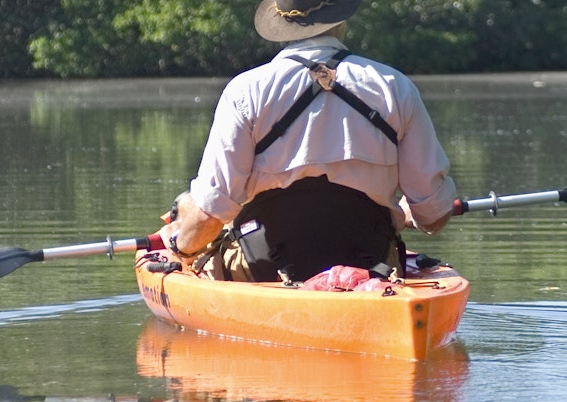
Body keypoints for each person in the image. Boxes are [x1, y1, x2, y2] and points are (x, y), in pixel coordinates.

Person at [155, 0, 458, 283]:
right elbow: (433, 216)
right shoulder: (396, 87)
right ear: (341, 19)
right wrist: (405, 213)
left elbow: (211, 216)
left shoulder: (244, 91)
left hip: (263, 270)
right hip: (371, 268)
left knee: (194, 213)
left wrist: (178, 245)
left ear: (282, 24)